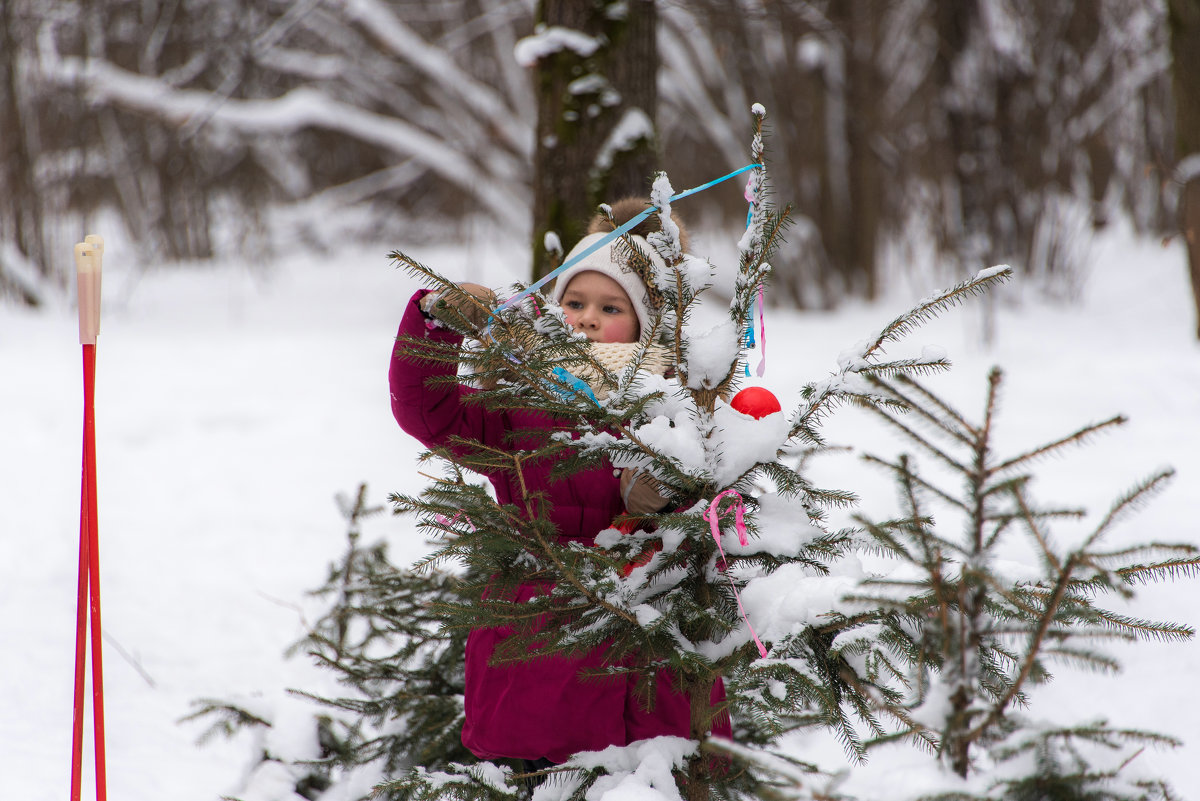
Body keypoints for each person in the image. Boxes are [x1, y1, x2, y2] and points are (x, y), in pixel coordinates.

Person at [388, 199, 729, 770]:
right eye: (574, 302)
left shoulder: (679, 407)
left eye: (610, 306)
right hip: (541, 656)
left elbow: (726, 513)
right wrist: (438, 319)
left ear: (647, 324)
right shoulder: (522, 404)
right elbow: (431, 414)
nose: (588, 318)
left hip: (652, 657)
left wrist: (673, 500)